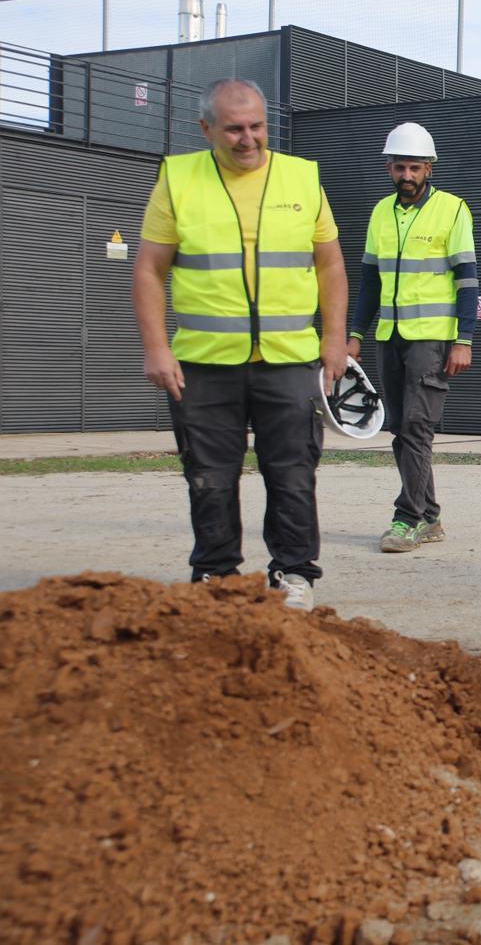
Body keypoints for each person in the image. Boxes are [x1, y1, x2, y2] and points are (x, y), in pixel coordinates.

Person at [132, 78, 347, 610]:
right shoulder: (178, 179)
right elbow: (149, 268)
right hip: (203, 363)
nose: (247, 139)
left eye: (256, 126)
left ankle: (295, 574)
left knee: (293, 473)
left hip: (288, 359)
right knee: (209, 476)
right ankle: (216, 575)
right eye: (233, 129)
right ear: (206, 129)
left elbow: (331, 263)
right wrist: (157, 348)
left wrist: (335, 338)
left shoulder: (302, 176)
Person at [346, 122, 478, 553]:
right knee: (402, 432)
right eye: (399, 166)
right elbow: (369, 280)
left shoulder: (454, 209)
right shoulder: (380, 212)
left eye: (414, 167)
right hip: (390, 335)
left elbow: (468, 281)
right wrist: (354, 334)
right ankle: (431, 517)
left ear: (429, 169)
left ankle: (407, 518)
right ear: (389, 168)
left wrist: (465, 339)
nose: (406, 174)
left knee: (417, 427)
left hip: (433, 340)